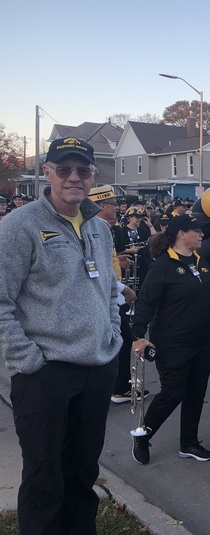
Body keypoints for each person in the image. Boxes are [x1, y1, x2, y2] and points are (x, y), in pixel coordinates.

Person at [0, 137, 122, 535]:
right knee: (43, 475)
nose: (74, 177)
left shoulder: (101, 229)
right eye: (64, 169)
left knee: (82, 471)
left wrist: (112, 334)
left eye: (82, 170)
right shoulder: (20, 225)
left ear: (93, 177)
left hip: (97, 368)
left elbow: (108, 291)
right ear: (47, 173)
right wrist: (28, 360)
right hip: (45, 373)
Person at [130, 214, 210, 465]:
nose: (201, 234)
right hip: (172, 342)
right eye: (196, 231)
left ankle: (189, 442)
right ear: (181, 234)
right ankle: (143, 436)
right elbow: (145, 301)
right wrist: (137, 337)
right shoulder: (164, 266)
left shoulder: (201, 261)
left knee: (195, 393)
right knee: (172, 393)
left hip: (200, 341)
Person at [88, 184, 142, 404]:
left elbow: (104, 261)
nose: (117, 208)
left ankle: (117, 387)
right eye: (112, 203)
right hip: (109, 294)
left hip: (111, 293)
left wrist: (118, 261)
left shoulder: (99, 227)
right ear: (101, 205)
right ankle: (119, 388)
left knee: (119, 339)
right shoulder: (95, 228)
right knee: (119, 341)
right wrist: (123, 289)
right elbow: (93, 267)